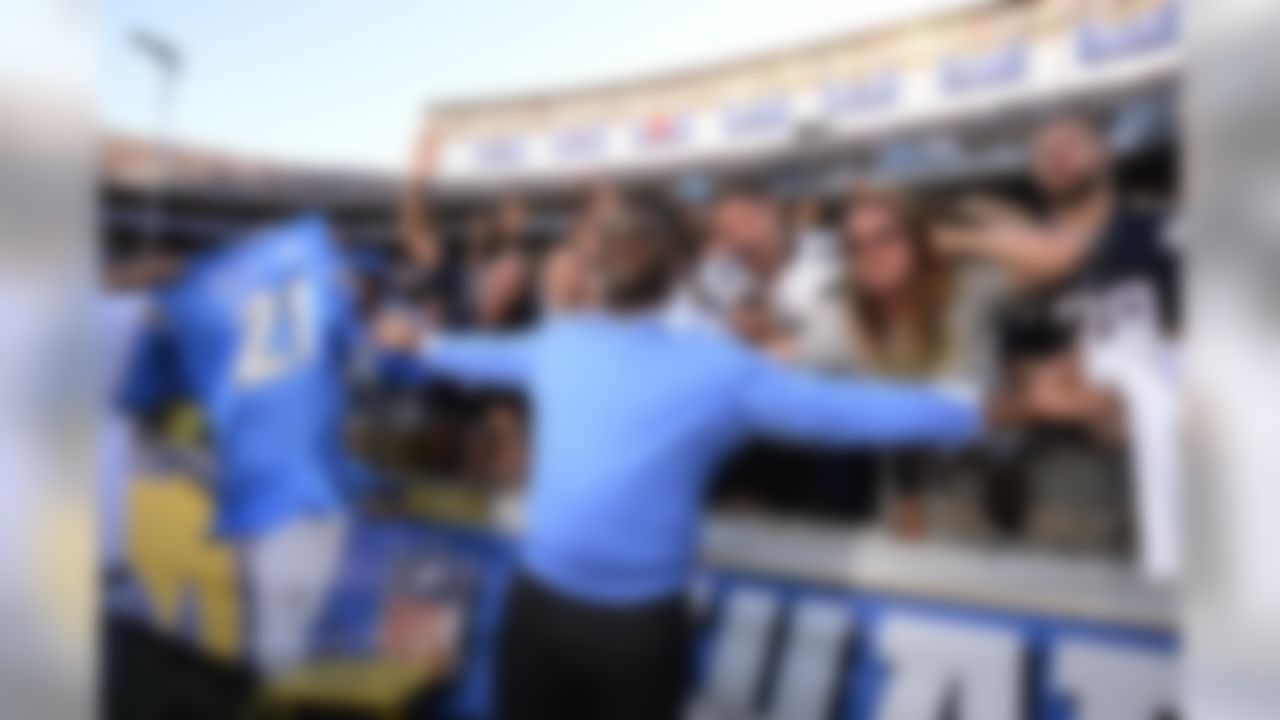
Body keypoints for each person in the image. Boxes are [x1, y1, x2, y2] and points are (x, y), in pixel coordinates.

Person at [374, 196, 1053, 720]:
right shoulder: (561, 342)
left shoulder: (720, 369)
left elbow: (846, 414)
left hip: (636, 633)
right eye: (608, 236)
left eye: (636, 234)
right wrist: (416, 339)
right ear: (594, 261)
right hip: (537, 610)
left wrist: (986, 408)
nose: (618, 247)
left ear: (672, 265)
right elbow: (465, 353)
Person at [118, 216, 358, 676]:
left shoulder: (200, 304)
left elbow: (140, 398)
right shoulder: (310, 289)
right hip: (308, 490)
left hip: (275, 493)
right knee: (284, 636)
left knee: (274, 637)